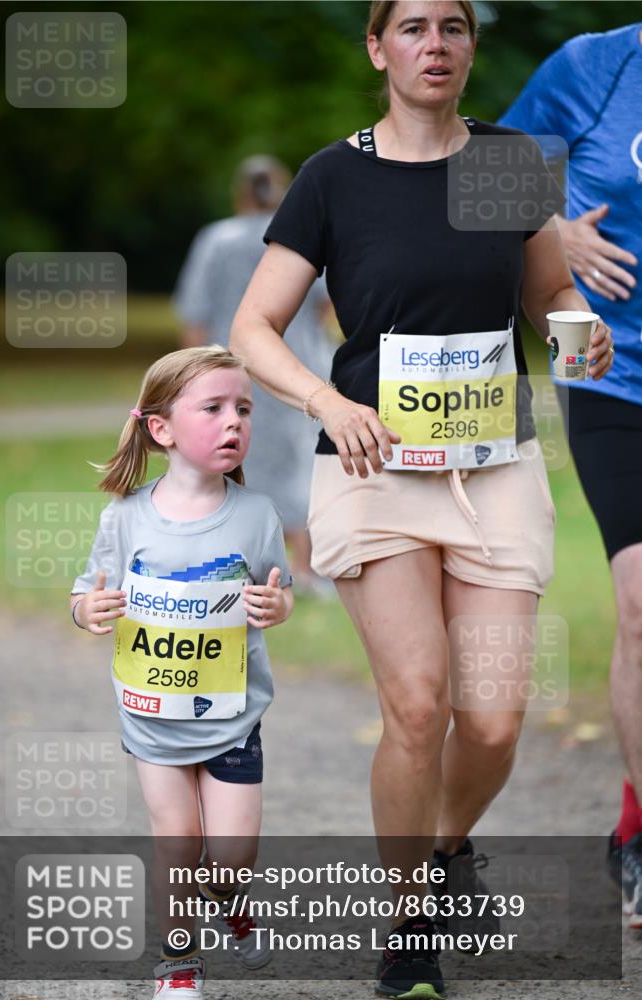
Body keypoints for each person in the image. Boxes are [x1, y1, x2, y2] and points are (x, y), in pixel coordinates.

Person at [230, 2, 614, 996]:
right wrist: (325, 399)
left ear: (469, 50)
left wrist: (582, 336)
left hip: (493, 471)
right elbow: (253, 327)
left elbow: (548, 300)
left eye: (452, 28)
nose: (433, 45)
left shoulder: (505, 165)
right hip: (371, 469)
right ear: (377, 47)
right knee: (415, 702)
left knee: (489, 720)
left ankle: (445, 849)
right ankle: (406, 926)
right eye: (411, 29)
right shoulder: (332, 178)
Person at [70, 346, 294, 999]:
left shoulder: (256, 516)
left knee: (228, 860)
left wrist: (274, 606)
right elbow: (85, 593)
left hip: (231, 722)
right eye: (214, 408)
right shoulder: (125, 516)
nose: (234, 423)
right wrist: (90, 610)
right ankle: (178, 966)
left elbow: (275, 591)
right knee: (176, 844)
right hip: (152, 719)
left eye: (243, 409)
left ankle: (232, 901)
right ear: (161, 429)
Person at [499, 23, 642, 931]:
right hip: (605, 364)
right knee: (641, 603)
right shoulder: (598, 63)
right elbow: (479, 179)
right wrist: (553, 228)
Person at [174, 155, 335, 595]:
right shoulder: (294, 238)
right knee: (301, 464)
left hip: (227, 372)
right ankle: (305, 568)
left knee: (227, 463)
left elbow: (195, 312)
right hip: (293, 367)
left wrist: (191, 374)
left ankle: (230, 564)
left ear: (240, 192)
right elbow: (324, 303)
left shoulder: (215, 239)